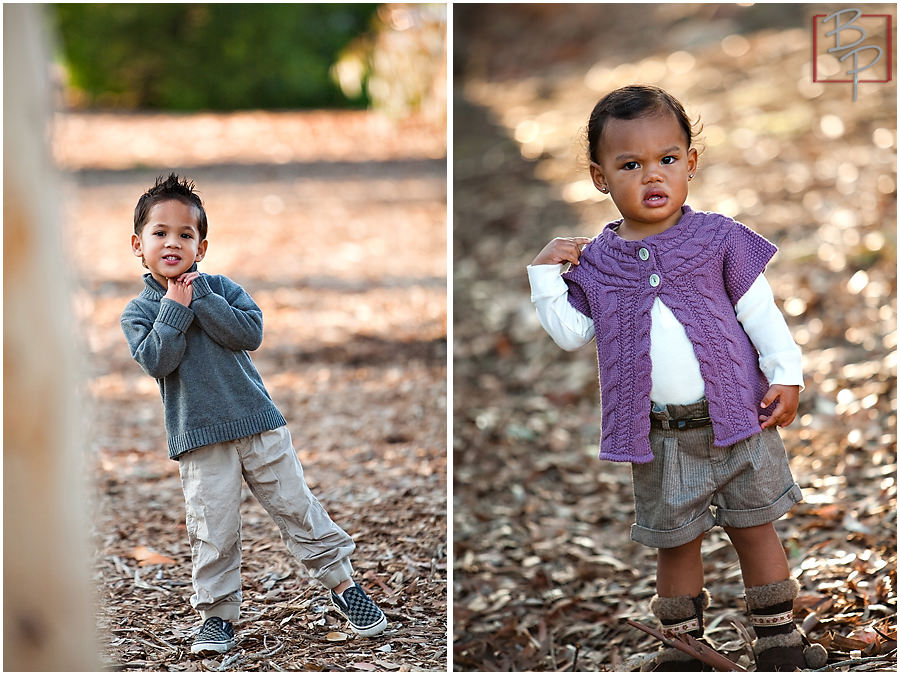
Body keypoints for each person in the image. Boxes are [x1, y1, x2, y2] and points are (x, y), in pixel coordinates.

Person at [527, 86, 826, 671]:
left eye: (666, 159)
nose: (651, 175)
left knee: (755, 529)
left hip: (740, 420)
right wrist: (544, 272)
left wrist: (786, 375)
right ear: (600, 177)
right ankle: (685, 649)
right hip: (662, 437)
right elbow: (569, 333)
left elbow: (760, 313)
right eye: (630, 165)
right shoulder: (600, 263)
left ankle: (778, 640)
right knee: (675, 542)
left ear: (690, 161)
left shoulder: (718, 240)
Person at [121, 174, 387, 656]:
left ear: (202, 247)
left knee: (297, 507)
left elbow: (248, 333)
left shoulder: (220, 288)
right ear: (138, 245)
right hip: (200, 438)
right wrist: (174, 308)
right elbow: (159, 360)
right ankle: (218, 617)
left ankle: (346, 587)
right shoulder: (140, 312)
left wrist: (199, 297)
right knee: (213, 530)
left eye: (186, 234)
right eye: (161, 233)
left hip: (258, 424)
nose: (173, 242)